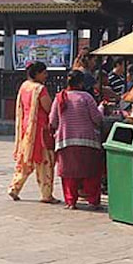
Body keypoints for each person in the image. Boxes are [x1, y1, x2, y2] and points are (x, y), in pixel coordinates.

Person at [50, 71, 105, 210]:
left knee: (68, 174)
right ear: (81, 83)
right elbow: (97, 119)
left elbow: (52, 121)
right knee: (90, 172)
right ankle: (93, 201)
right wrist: (102, 108)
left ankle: (71, 201)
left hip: (65, 141)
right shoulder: (86, 97)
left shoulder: (59, 98)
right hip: (87, 141)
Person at [9, 62, 57, 203]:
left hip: (26, 128)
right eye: (44, 73)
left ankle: (14, 188)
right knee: (45, 163)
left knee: (25, 162)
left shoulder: (24, 86)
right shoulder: (40, 89)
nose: (46, 75)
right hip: (40, 130)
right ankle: (46, 194)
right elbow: (48, 108)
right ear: (37, 73)